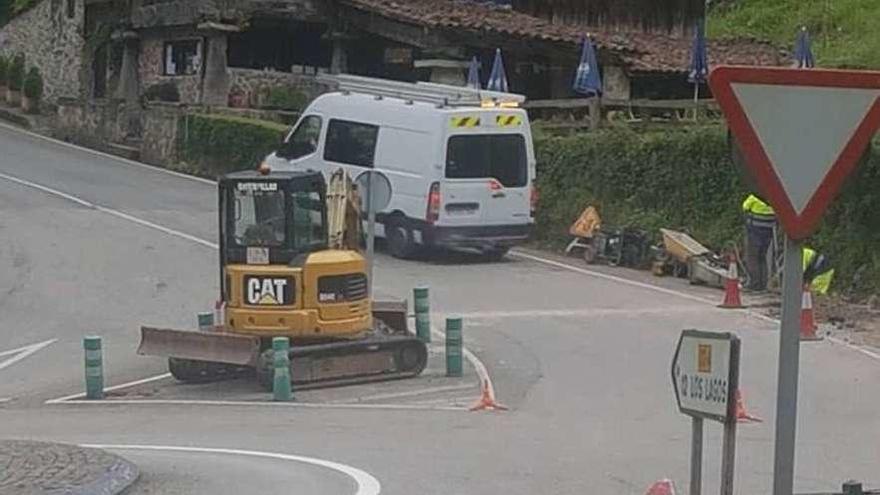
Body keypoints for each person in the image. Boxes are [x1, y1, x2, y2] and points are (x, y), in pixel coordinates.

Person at [742, 193, 776, 291]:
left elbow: (745, 207)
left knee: (752, 258)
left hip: (754, 232)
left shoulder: (754, 197)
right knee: (762, 258)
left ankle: (754, 284)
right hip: (768, 234)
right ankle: (763, 284)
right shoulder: (773, 199)